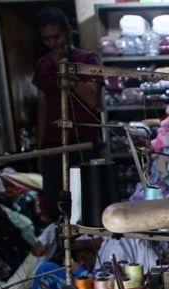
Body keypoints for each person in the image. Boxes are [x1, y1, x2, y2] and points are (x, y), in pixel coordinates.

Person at [33, 7, 102, 220]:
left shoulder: (87, 61)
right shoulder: (43, 65)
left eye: (57, 37)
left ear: (69, 32)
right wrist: (40, 149)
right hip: (54, 145)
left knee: (87, 205)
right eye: (47, 40)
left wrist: (67, 73)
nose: (54, 44)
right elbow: (42, 108)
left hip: (83, 142)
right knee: (57, 207)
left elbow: (92, 100)